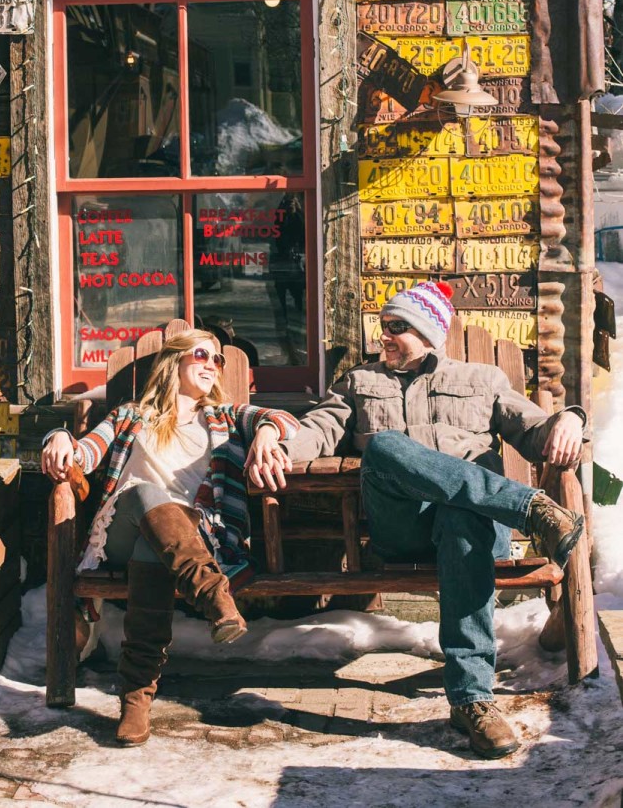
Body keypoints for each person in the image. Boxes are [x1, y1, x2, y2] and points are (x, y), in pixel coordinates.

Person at [244, 281, 587, 760]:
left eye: (397, 327)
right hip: (401, 529)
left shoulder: (483, 381)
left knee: (462, 516)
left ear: (427, 332)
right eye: (382, 326)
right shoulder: (360, 383)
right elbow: (319, 429)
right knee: (384, 447)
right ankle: (530, 509)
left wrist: (570, 418)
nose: (383, 336)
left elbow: (535, 428)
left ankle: (472, 700)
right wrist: (276, 440)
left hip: (472, 533)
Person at [42, 328, 300, 746]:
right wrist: (56, 436)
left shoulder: (226, 417)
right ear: (174, 362)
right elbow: (85, 454)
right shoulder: (129, 415)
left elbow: (284, 420)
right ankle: (212, 593)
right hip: (121, 529)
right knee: (145, 493)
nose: (211, 365)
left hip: (188, 536)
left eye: (217, 359)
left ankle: (134, 700)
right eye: (201, 355)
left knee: (155, 544)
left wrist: (267, 433)